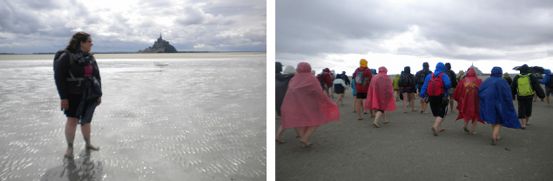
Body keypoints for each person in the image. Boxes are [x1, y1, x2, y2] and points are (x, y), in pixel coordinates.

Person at [54, 32, 102, 158]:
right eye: (89, 41)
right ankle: (69, 148)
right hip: (72, 95)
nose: (92, 43)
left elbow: (97, 76)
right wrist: (63, 97)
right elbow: (59, 78)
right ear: (81, 42)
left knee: (86, 121)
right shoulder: (66, 56)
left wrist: (99, 94)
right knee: (72, 121)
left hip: (89, 94)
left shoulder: (90, 58)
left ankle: (88, 144)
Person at [281, 62, 340, 147]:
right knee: (316, 120)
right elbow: (319, 92)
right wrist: (328, 101)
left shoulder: (293, 79)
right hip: (309, 105)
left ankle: (304, 140)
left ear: (298, 68)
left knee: (299, 122)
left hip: (294, 105)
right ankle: (305, 138)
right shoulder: (311, 78)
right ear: (308, 68)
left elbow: (289, 93)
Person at [479, 67, 521, 145]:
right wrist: (509, 102)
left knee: (493, 119)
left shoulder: (488, 80)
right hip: (500, 103)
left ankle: (497, 135)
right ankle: (494, 136)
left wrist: (484, 100)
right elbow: (507, 93)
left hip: (489, 104)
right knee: (499, 120)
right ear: (500, 73)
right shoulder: (502, 81)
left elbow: (481, 91)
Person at [420, 62, 451, 136]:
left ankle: (439, 128)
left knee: (436, 112)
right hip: (441, 96)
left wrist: (422, 94)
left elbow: (425, 86)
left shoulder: (429, 76)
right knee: (441, 112)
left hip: (431, 96)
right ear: (443, 68)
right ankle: (435, 126)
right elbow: (448, 84)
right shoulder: (444, 75)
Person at [511, 64, 545, 129]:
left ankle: (523, 124)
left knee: (521, 108)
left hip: (520, 95)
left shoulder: (517, 77)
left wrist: (512, 95)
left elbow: (513, 87)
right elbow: (537, 86)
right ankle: (526, 122)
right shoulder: (531, 76)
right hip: (529, 95)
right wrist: (541, 95)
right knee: (528, 108)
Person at [453, 67, 483, 135]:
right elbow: (482, 91)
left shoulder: (463, 81)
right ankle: (473, 130)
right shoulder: (479, 81)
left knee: (466, 112)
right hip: (476, 101)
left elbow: (458, 90)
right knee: (476, 114)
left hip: (465, 100)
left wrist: (458, 99)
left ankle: (465, 125)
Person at [275, 63, 299, 144]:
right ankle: (277, 136)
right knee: (287, 120)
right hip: (288, 101)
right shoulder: (291, 78)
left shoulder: (274, 77)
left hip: (277, 102)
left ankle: (299, 134)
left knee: (293, 118)